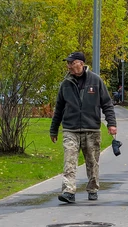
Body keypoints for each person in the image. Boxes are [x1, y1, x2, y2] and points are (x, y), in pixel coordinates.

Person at [49, 52, 117, 204]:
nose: (69, 66)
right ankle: (68, 191)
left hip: (91, 129)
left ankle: (92, 188)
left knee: (92, 162)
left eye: (71, 63)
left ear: (80, 63)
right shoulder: (65, 84)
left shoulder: (96, 80)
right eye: (68, 63)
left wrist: (111, 124)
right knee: (69, 161)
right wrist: (54, 129)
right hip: (70, 129)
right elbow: (59, 108)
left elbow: (107, 104)